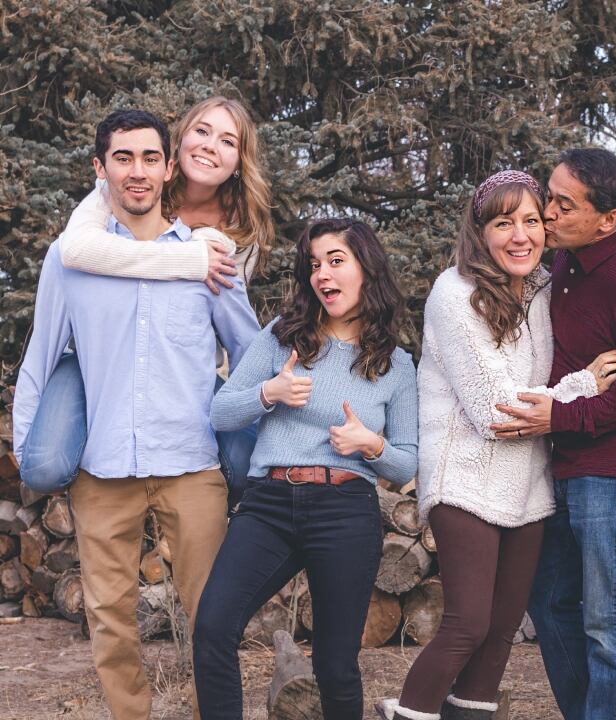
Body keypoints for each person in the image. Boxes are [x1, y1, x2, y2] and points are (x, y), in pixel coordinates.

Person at [11, 109, 261, 720]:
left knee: (212, 614)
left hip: (190, 461)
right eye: (122, 158)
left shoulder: (211, 260)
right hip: (104, 466)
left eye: (150, 157)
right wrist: (29, 448)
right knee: (110, 620)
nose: (138, 171)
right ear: (101, 170)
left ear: (169, 166)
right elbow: (40, 357)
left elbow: (252, 354)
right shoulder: (68, 260)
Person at [375, 171, 616, 720]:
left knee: (502, 632)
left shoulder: (543, 289)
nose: (520, 235)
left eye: (532, 221)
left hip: (528, 484)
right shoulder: (455, 292)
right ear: (480, 230)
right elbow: (495, 413)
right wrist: (581, 387)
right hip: (463, 476)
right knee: (468, 624)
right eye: (503, 222)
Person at [193, 218, 418, 719]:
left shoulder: (394, 364)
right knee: (213, 628)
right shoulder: (284, 337)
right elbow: (221, 411)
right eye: (315, 264)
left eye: (336, 261)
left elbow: (407, 463)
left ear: (367, 269)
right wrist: (269, 393)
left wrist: (371, 444)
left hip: (344, 510)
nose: (323, 274)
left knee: (336, 664)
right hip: (268, 504)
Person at [492, 149, 616, 720]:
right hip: (569, 464)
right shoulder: (567, 266)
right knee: (550, 602)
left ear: (610, 220)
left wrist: (560, 416)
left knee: (609, 620)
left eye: (563, 205)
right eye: (549, 195)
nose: (546, 213)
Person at [18, 95, 273, 502]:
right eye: (202, 131)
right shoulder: (132, 184)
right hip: (101, 355)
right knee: (45, 464)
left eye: (228, 141)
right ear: (179, 143)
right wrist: (189, 259)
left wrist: (254, 401)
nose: (210, 145)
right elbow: (76, 251)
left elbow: (234, 328)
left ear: (240, 161)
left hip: (181, 364)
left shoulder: (238, 237)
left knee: (247, 462)